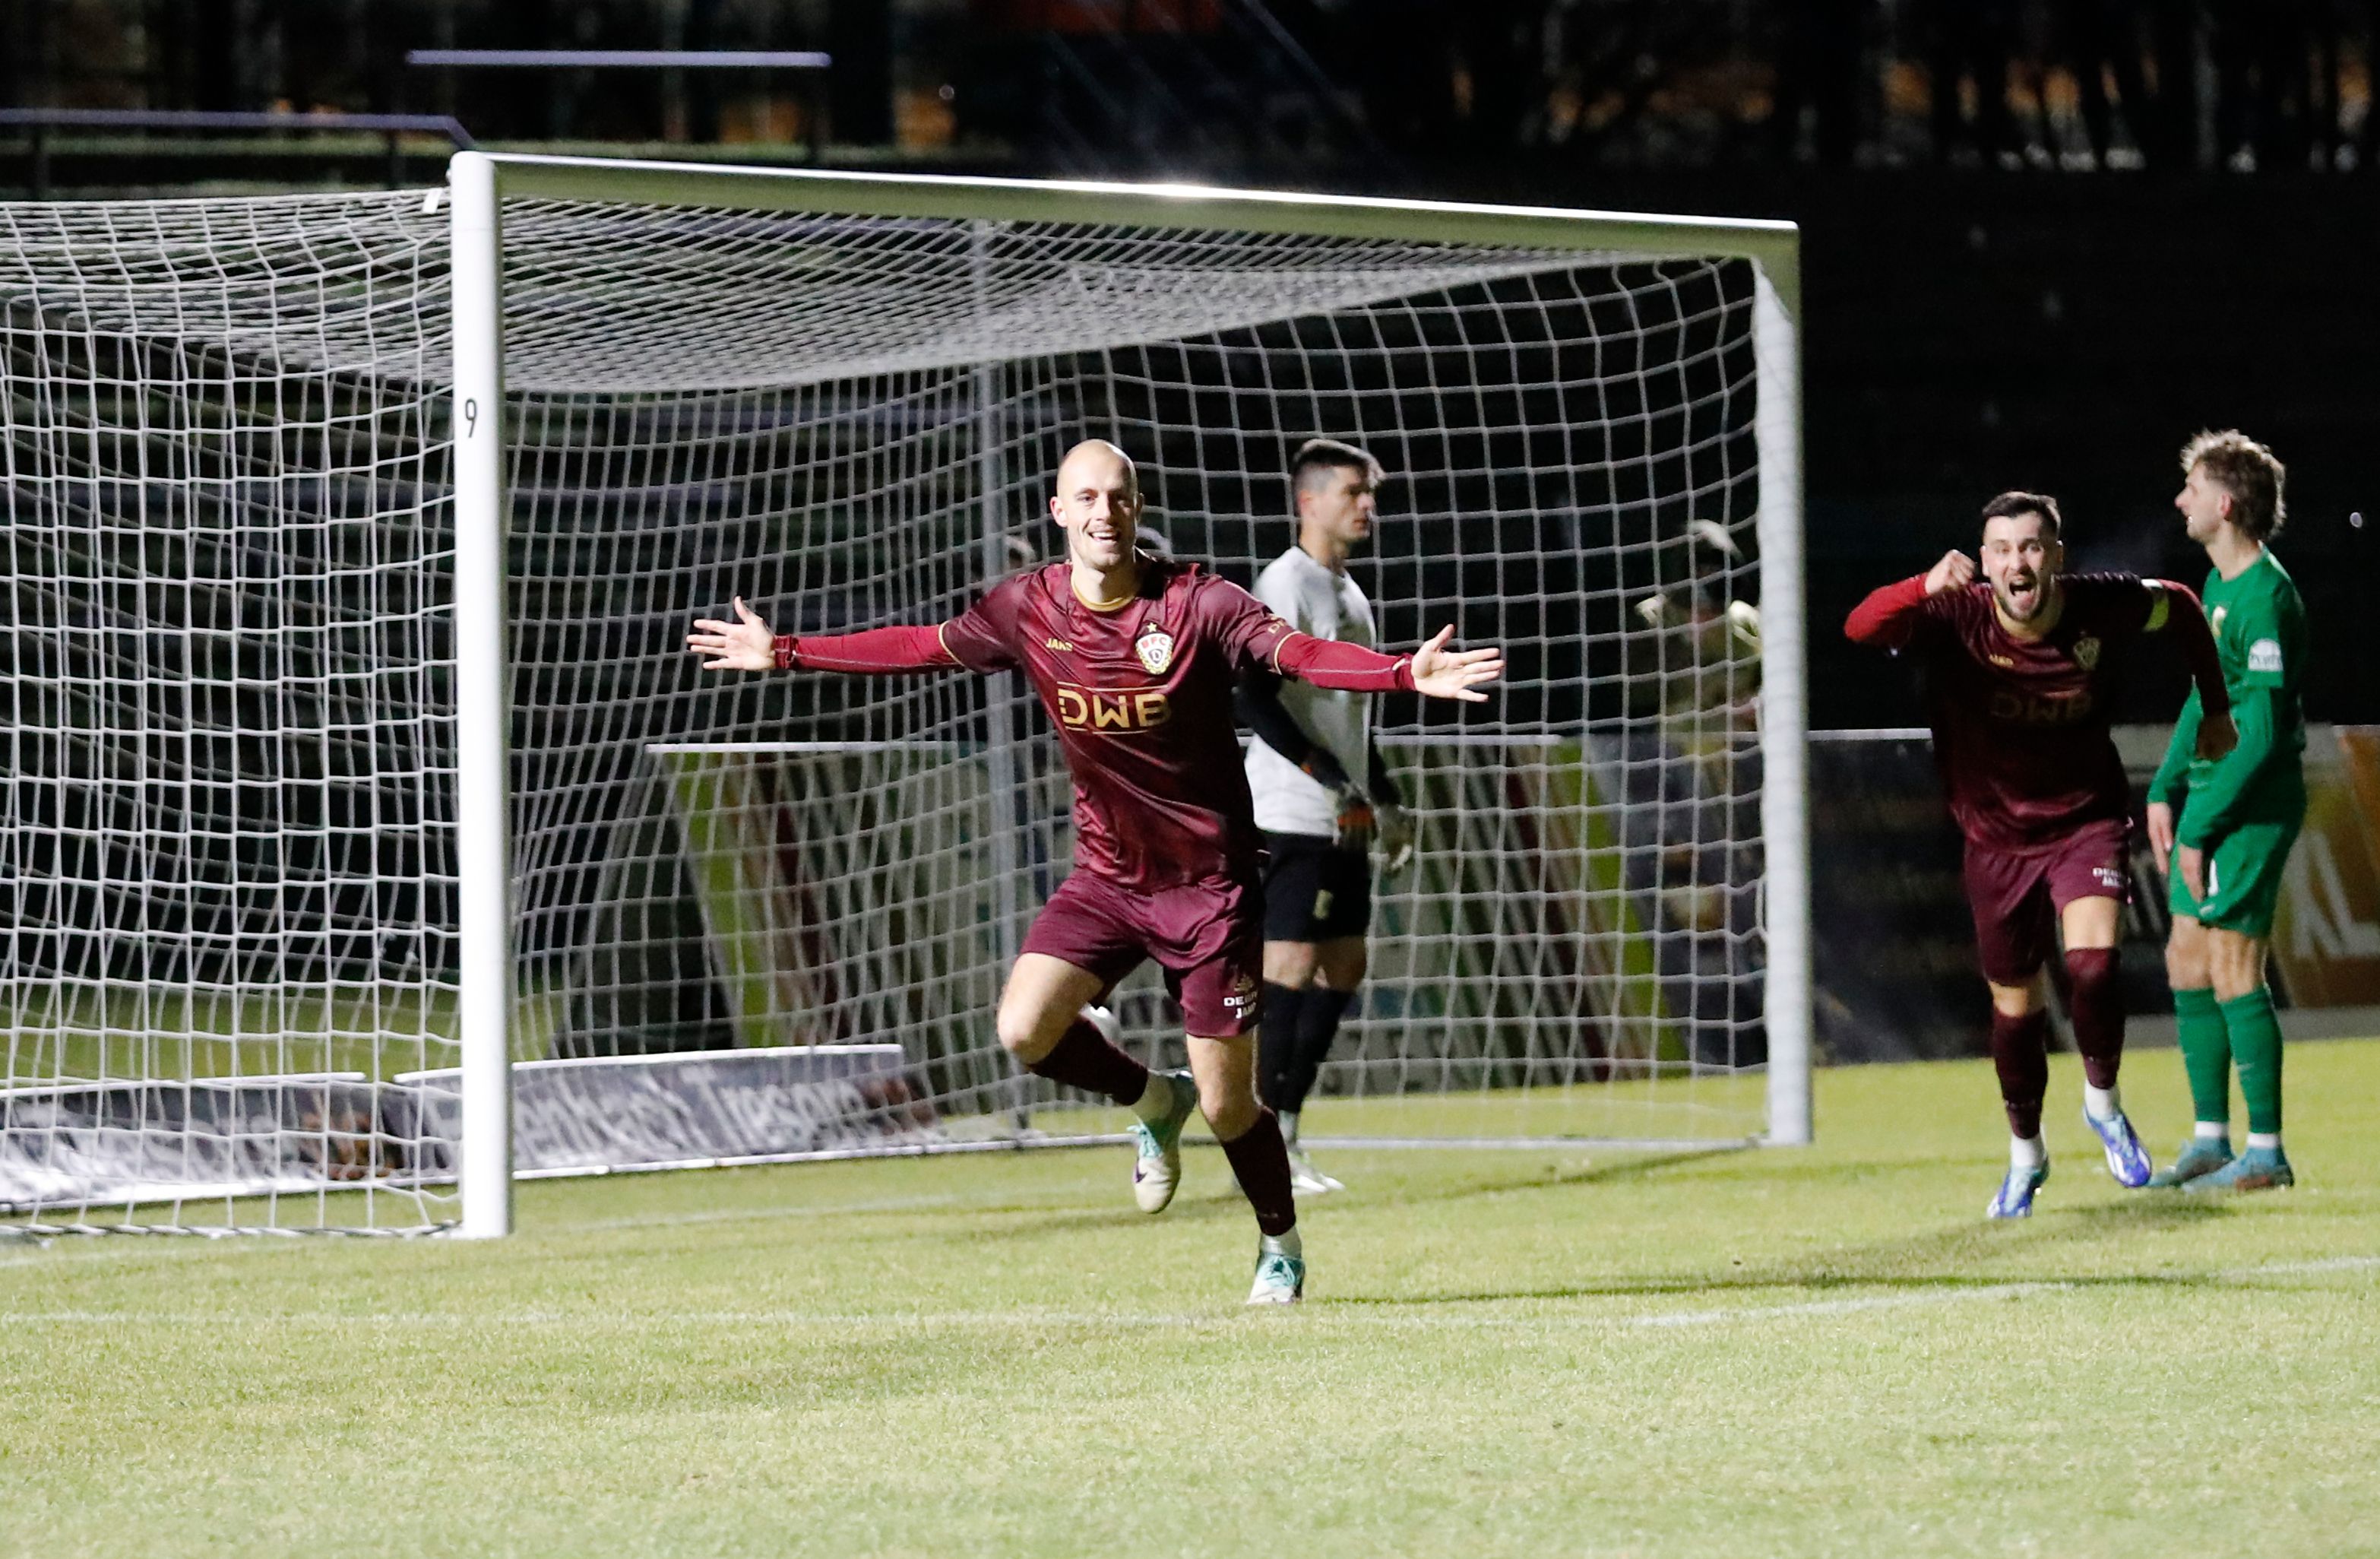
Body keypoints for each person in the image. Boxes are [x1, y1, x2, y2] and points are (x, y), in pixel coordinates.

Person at [687, 439, 1504, 1301]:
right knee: (1024, 1029)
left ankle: (1280, 1245)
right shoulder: (1027, 607)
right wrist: (786, 653)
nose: (1103, 511)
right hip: (1108, 877)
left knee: (1233, 1108)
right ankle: (1154, 1098)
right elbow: (924, 645)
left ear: (1137, 506)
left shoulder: (1198, 602)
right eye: (1087, 497)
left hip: (1211, 887)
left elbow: (1294, 655)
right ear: (1060, 512)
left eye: (1118, 496)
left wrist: (1401, 673)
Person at [1845, 490, 2233, 1219]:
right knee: (2015, 1011)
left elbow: (2180, 604)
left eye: (2031, 546)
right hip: (1994, 841)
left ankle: (2104, 1103)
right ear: (1984, 561)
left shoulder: (2101, 606)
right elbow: (1862, 624)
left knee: (2093, 964)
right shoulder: (1954, 613)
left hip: (2085, 820)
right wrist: (1923, 584)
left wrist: (2214, 706)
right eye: (2002, 549)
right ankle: (2027, 1154)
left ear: (2055, 556)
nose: (2016, 561)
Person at [1235, 439, 1413, 1195]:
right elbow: (1248, 693)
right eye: (1352, 491)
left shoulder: (1354, 595)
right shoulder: (1287, 580)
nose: (1366, 504)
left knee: (1344, 964)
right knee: (1288, 969)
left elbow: (1353, 720)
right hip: (1286, 811)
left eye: (1369, 491)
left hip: (1340, 813)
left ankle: (1291, 1127)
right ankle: (1261, 1135)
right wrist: (1327, 777)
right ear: (1309, 501)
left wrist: (1386, 796)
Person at [2144, 430, 2307, 1193]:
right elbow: (2207, 699)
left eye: (2192, 487)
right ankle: (2212, 1137)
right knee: (2184, 956)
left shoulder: (2267, 596)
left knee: (2234, 964)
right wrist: (2163, 787)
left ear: (2225, 503)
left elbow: (2266, 733)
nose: (2181, 500)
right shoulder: (2213, 589)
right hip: (2211, 797)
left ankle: (2266, 1151)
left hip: (2253, 805)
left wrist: (2202, 828)